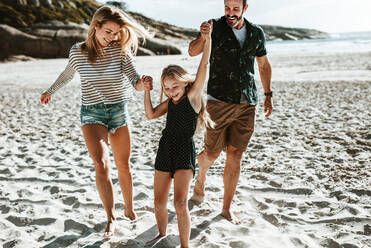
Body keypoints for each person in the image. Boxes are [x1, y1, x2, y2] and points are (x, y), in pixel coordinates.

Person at [40, 6, 150, 238]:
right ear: (95, 26)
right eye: (108, 31)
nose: (112, 37)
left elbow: (134, 80)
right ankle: (111, 218)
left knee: (124, 165)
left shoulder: (120, 51)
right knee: (101, 164)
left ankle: (129, 208)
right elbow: (67, 75)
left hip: (119, 112)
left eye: (116, 33)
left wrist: (144, 83)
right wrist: (50, 91)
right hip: (92, 114)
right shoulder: (77, 51)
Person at [188, 0, 273, 224]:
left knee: (235, 155)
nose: (230, 13)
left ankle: (226, 208)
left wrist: (268, 94)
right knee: (212, 154)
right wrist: (203, 36)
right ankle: (201, 178)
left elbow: (263, 65)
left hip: (247, 103)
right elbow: (192, 51)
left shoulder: (256, 33)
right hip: (219, 101)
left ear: (245, 8)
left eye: (235, 8)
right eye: (227, 8)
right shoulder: (214, 27)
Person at [143, 21, 212, 248]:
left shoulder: (192, 97)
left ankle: (185, 245)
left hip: (184, 150)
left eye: (175, 87)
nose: (172, 92)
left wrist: (207, 38)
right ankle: (161, 234)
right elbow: (151, 115)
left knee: (180, 204)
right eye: (168, 88)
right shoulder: (169, 102)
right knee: (158, 202)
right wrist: (147, 91)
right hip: (165, 149)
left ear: (184, 83)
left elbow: (204, 65)